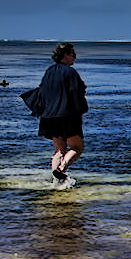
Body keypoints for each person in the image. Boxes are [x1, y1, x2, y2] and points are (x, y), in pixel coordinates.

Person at [29, 42, 88, 185]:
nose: (75, 56)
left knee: (59, 150)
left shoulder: (49, 71)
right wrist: (82, 110)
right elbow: (78, 93)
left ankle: (57, 183)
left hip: (49, 117)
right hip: (67, 116)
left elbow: (42, 93)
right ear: (66, 55)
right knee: (77, 148)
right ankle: (62, 169)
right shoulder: (70, 72)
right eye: (73, 53)